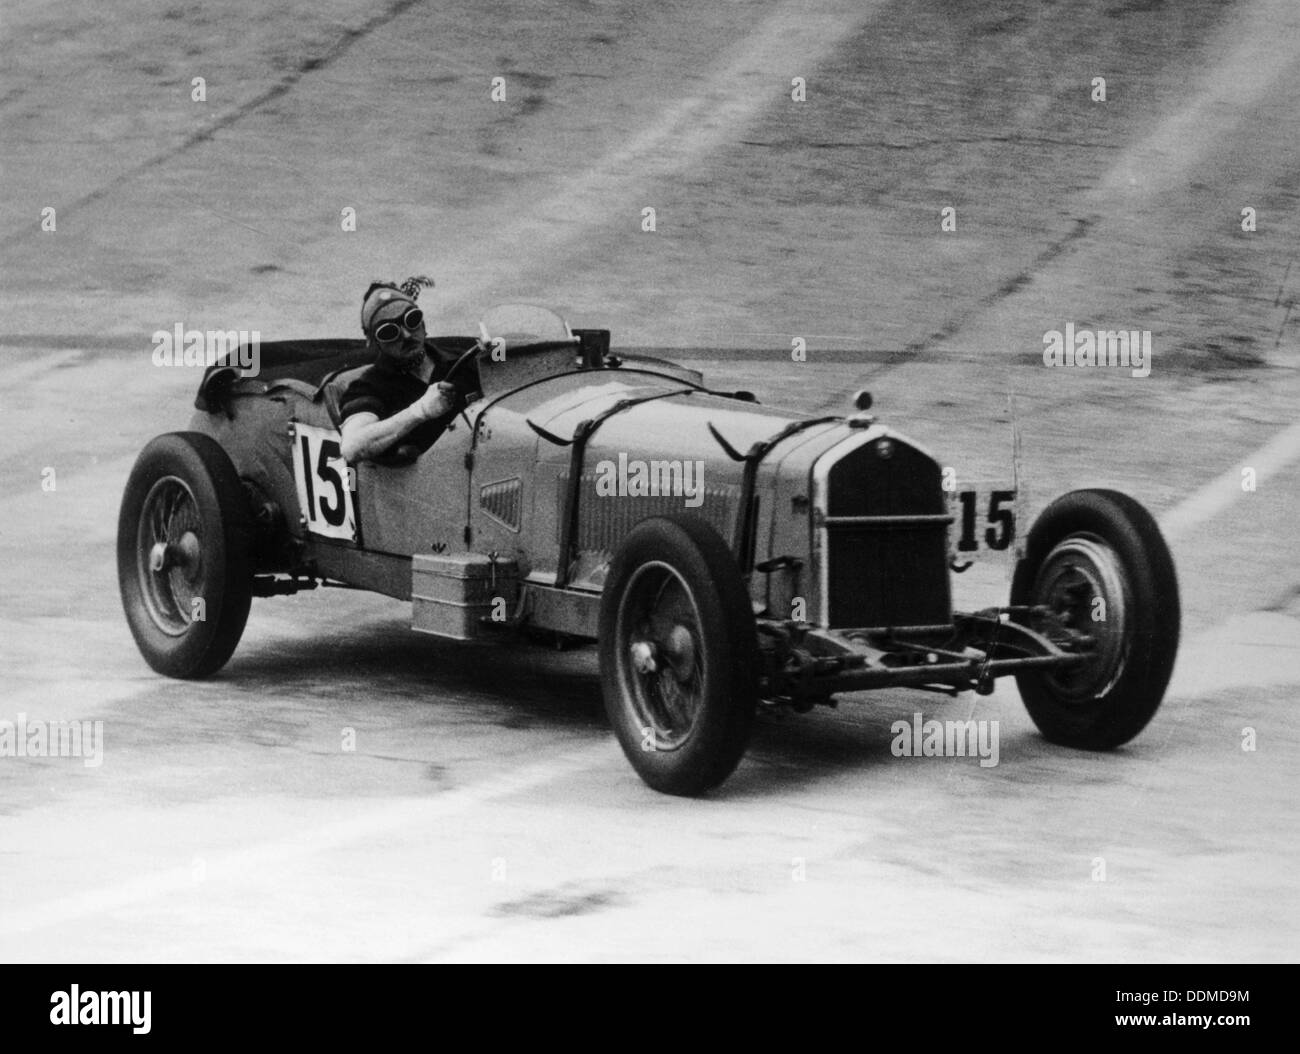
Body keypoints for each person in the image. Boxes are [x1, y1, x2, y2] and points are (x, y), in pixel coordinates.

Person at [339, 277, 477, 463]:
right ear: (376, 342)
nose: (406, 335)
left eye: (411, 320)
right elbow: (351, 448)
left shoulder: (461, 361)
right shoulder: (369, 386)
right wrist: (420, 411)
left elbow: (502, 363)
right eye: (389, 332)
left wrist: (500, 347)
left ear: (424, 324)